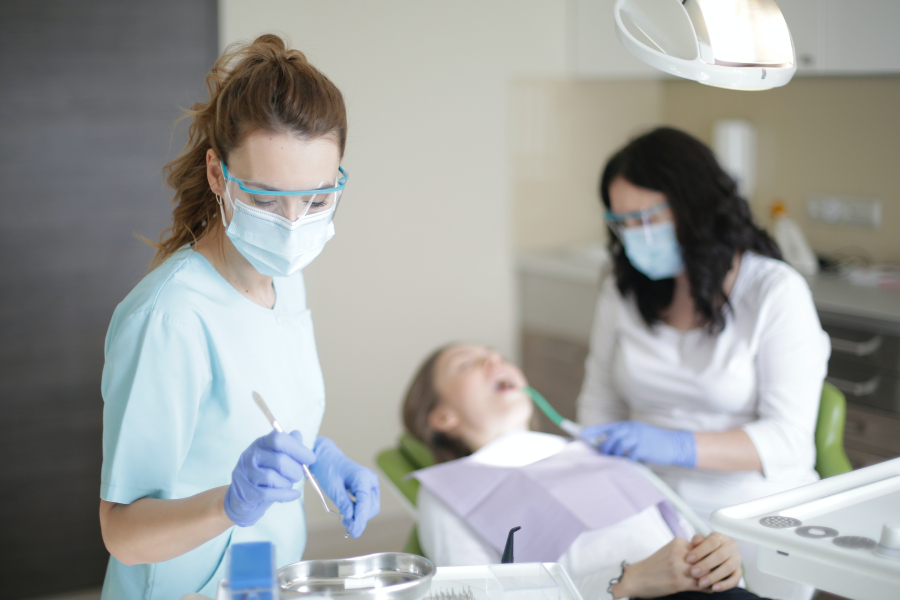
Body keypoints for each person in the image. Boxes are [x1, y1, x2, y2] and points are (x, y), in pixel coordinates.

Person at [98, 35, 380, 600]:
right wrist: (229, 503)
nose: (293, 226)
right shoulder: (170, 318)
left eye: (317, 199)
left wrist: (316, 456)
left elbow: (249, 421)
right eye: (266, 200)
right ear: (217, 174)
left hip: (260, 580)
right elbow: (122, 534)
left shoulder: (285, 281)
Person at [576, 127, 829, 600]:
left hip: (752, 511)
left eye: (647, 218)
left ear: (695, 207)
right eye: (622, 222)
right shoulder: (621, 289)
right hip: (645, 502)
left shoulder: (775, 291)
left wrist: (675, 445)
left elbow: (788, 439)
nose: (635, 236)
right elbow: (599, 402)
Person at [403, 343, 767, 600]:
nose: (493, 362)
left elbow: (687, 536)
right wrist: (626, 582)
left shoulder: (593, 451)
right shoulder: (446, 490)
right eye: (467, 363)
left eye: (499, 356)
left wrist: (718, 562)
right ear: (442, 417)